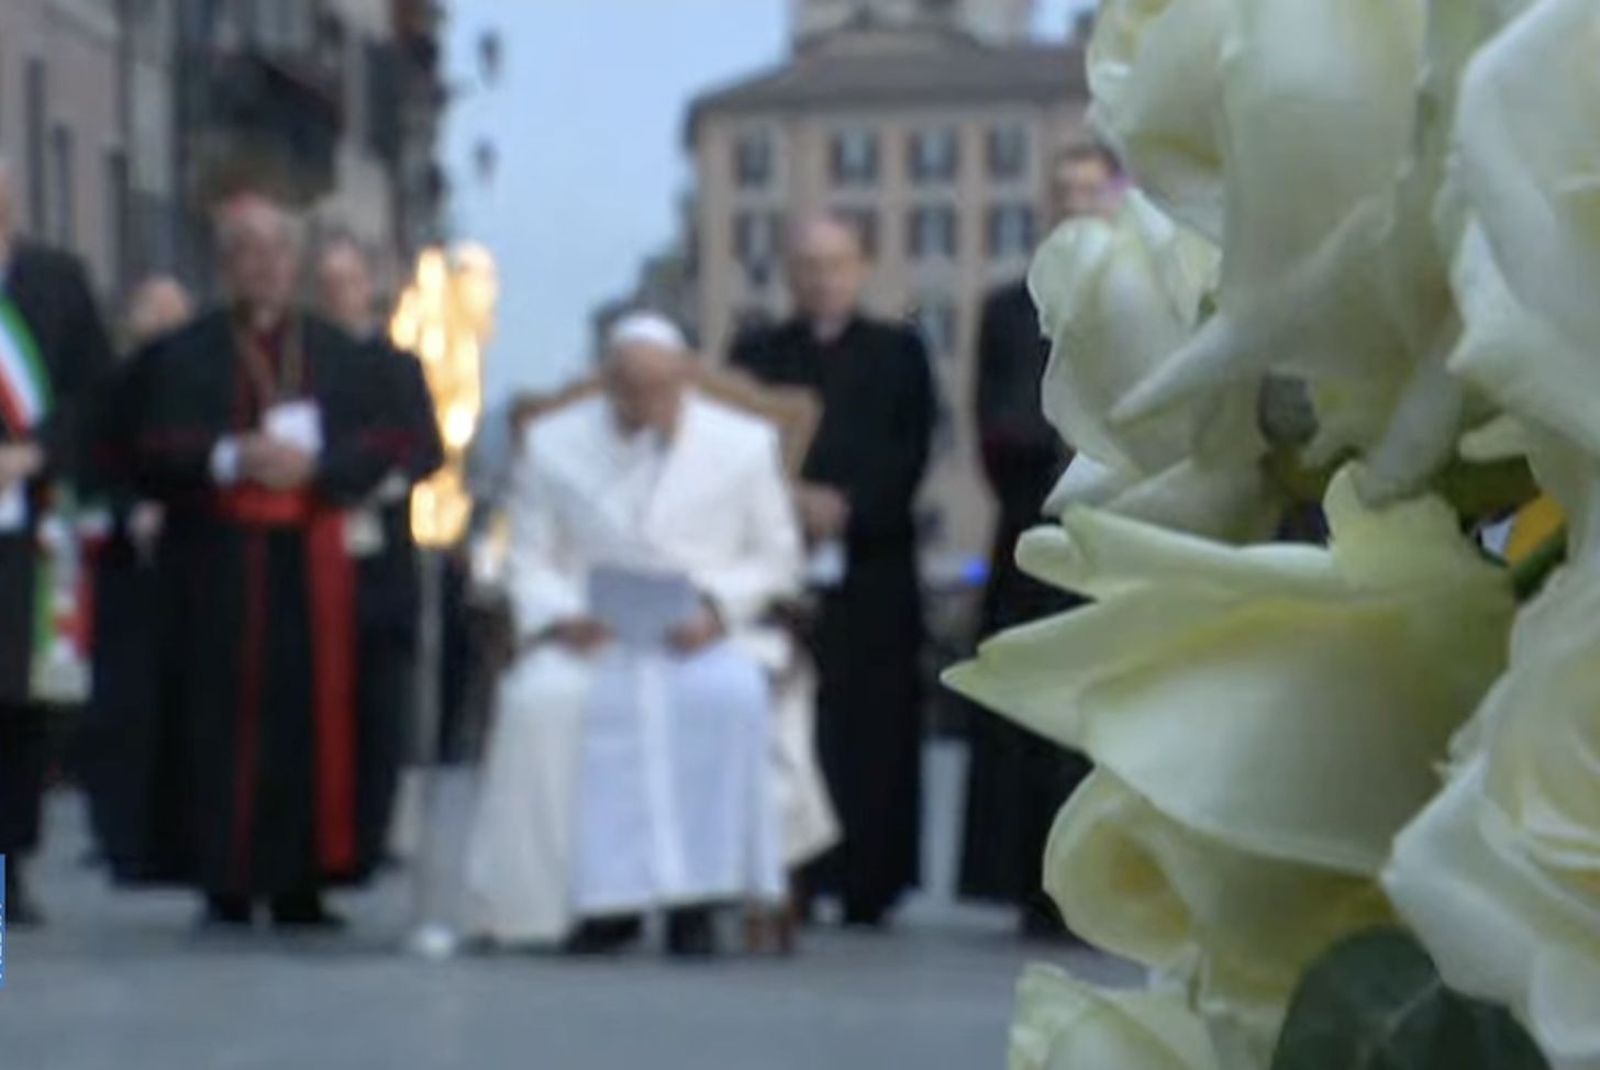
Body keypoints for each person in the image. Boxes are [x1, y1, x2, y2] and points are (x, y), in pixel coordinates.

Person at [465, 313, 798, 957]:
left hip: (699, 636)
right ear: (606, 382)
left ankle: (699, 900)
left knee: (728, 699)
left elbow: (775, 556)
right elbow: (528, 555)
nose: (643, 404)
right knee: (540, 704)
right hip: (591, 635)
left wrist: (716, 610)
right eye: (629, 388)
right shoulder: (552, 441)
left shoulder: (744, 443)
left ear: (684, 380)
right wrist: (562, 614)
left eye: (658, 388)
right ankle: (587, 903)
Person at [120, 191, 408, 929]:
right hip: (216, 565)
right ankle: (225, 877)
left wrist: (317, 468)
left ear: (296, 264)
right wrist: (228, 454)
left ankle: (305, 882)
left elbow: (397, 440)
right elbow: (142, 444)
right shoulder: (183, 353)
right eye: (248, 252)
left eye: (278, 253)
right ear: (226, 266)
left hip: (317, 567)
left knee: (314, 722)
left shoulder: (339, 353)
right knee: (219, 717)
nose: (266, 268)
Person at [730, 215, 935, 929]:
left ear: (861, 268)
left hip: (872, 564)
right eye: (809, 265)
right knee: (794, 722)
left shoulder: (900, 352)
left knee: (874, 725)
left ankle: (869, 880)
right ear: (790, 272)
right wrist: (790, 501)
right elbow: (734, 448)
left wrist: (847, 507)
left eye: (836, 264)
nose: (822, 279)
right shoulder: (755, 352)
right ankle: (794, 870)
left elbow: (913, 449)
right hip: (782, 563)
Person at [958, 142, 1123, 937]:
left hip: (1120, 529)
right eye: (1065, 191)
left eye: (1091, 190)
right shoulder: (1006, 307)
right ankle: (1029, 883)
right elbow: (991, 421)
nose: (1078, 203)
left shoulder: (1146, 293)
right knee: (1030, 710)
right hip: (1032, 528)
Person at [0, 156, 116, 925]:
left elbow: (96, 394)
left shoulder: (55, 284)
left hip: (32, 527)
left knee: (19, 703)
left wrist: (37, 450)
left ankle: (11, 865)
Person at [315, 235, 443, 863]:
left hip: (379, 555)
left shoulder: (398, 366)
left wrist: (382, 481)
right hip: (315, 548)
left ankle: (373, 829)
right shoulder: (304, 364)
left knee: (380, 701)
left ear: (369, 287)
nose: (337, 294)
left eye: (347, 281)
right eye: (328, 282)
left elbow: (428, 447)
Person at [83, 276, 195, 878]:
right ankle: (124, 835)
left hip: (187, 564)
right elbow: (96, 464)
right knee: (126, 706)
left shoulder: (196, 385)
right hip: (128, 566)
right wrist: (132, 510)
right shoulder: (118, 386)